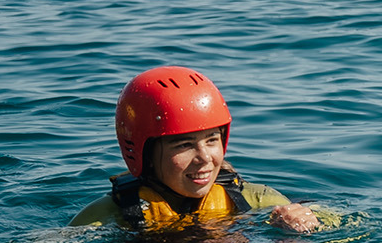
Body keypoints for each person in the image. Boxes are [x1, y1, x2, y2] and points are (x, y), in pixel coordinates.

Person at [69, 67, 330, 233]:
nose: (205, 158)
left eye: (211, 140)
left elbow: (343, 219)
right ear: (143, 152)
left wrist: (309, 220)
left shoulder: (255, 199)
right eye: (183, 145)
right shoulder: (108, 216)